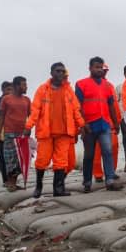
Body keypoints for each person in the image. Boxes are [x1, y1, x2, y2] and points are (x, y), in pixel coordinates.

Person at [25, 62, 85, 198]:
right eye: (58, 71)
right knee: (42, 160)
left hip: (64, 133)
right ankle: (38, 186)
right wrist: (28, 126)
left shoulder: (68, 90)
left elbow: (76, 109)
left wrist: (82, 124)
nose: (61, 74)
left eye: (62, 71)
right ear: (51, 73)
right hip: (46, 133)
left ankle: (58, 189)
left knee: (61, 162)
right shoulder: (42, 89)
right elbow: (35, 110)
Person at [75, 57, 124, 193]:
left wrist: (116, 123)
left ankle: (109, 180)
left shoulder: (107, 86)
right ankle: (87, 182)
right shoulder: (81, 84)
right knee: (89, 155)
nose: (99, 70)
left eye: (101, 67)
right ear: (90, 68)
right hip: (89, 126)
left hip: (104, 125)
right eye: (96, 67)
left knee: (107, 151)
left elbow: (111, 106)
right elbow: (77, 106)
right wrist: (83, 124)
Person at [0, 77, 31, 192]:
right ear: (16, 86)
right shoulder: (6, 99)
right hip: (9, 134)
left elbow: (31, 116)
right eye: (23, 85)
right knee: (10, 159)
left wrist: (29, 129)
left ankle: (13, 183)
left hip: (23, 134)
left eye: (26, 85)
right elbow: (1, 117)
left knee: (21, 160)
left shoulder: (27, 100)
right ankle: (10, 183)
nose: (26, 87)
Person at [92, 63, 121, 183]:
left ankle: (111, 172)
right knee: (97, 150)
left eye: (105, 70)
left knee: (113, 147)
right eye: (101, 70)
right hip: (96, 122)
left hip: (110, 122)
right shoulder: (91, 85)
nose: (104, 72)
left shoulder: (110, 86)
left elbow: (114, 105)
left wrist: (117, 121)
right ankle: (98, 174)